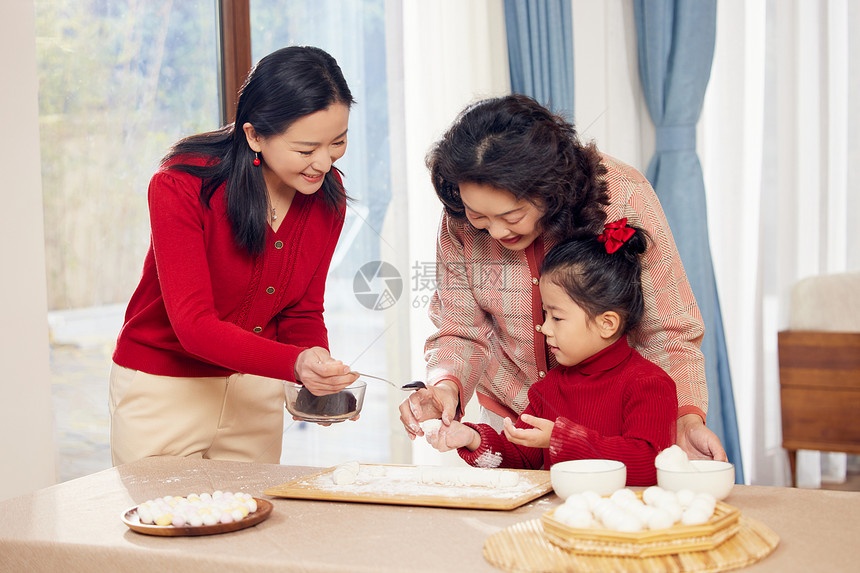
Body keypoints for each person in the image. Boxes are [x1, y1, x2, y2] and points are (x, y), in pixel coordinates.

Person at [399, 94, 727, 462]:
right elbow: (460, 329)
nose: (493, 232)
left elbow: (667, 328)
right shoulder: (460, 218)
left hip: (616, 422)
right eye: (479, 217)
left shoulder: (621, 194)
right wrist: (446, 387)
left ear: (549, 187)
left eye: (511, 215)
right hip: (516, 421)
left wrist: (684, 418)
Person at [109, 46, 359, 466]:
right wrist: (295, 363)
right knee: (167, 523)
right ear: (254, 135)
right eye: (305, 148)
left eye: (338, 141)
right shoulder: (181, 186)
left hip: (255, 390)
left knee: (253, 527)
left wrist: (316, 372)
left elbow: (301, 311)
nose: (323, 162)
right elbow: (193, 326)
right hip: (164, 389)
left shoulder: (327, 199)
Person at [424, 222, 677, 485]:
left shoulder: (650, 384)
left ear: (607, 323)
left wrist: (562, 439)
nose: (544, 327)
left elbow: (650, 465)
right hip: (564, 520)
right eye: (546, 314)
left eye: (557, 317)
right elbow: (520, 459)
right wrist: (472, 439)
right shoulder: (549, 389)